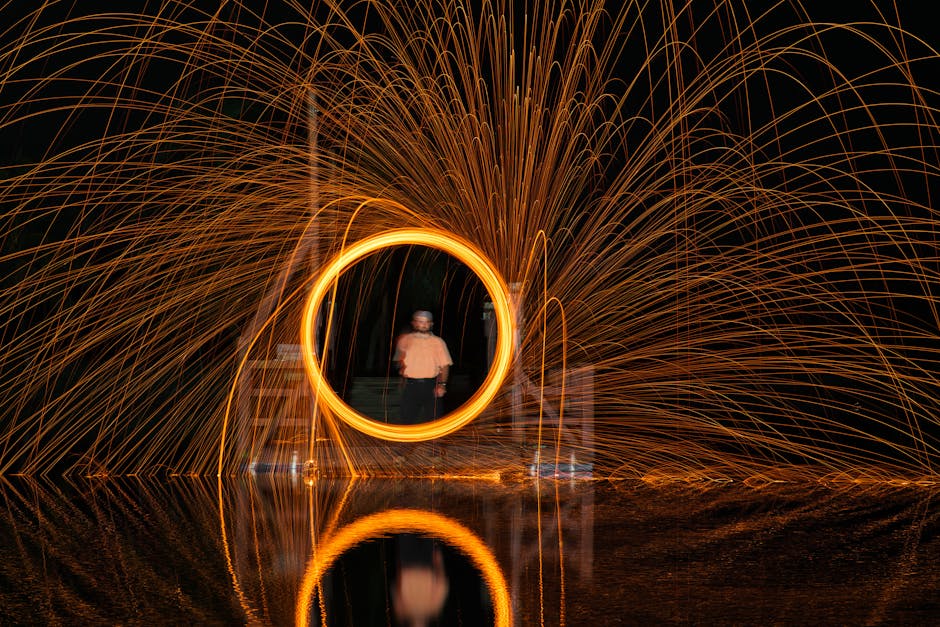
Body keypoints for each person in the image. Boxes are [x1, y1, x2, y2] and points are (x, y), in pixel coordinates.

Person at [394, 310, 452, 424]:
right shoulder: (405, 340)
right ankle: (406, 442)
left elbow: (445, 365)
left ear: (431, 324)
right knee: (407, 420)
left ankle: (434, 442)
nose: (423, 324)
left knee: (434, 421)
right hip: (411, 386)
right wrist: (402, 375)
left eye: (426, 322)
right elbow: (399, 361)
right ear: (414, 323)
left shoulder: (438, 342)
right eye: (420, 321)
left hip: (431, 386)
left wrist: (442, 385)